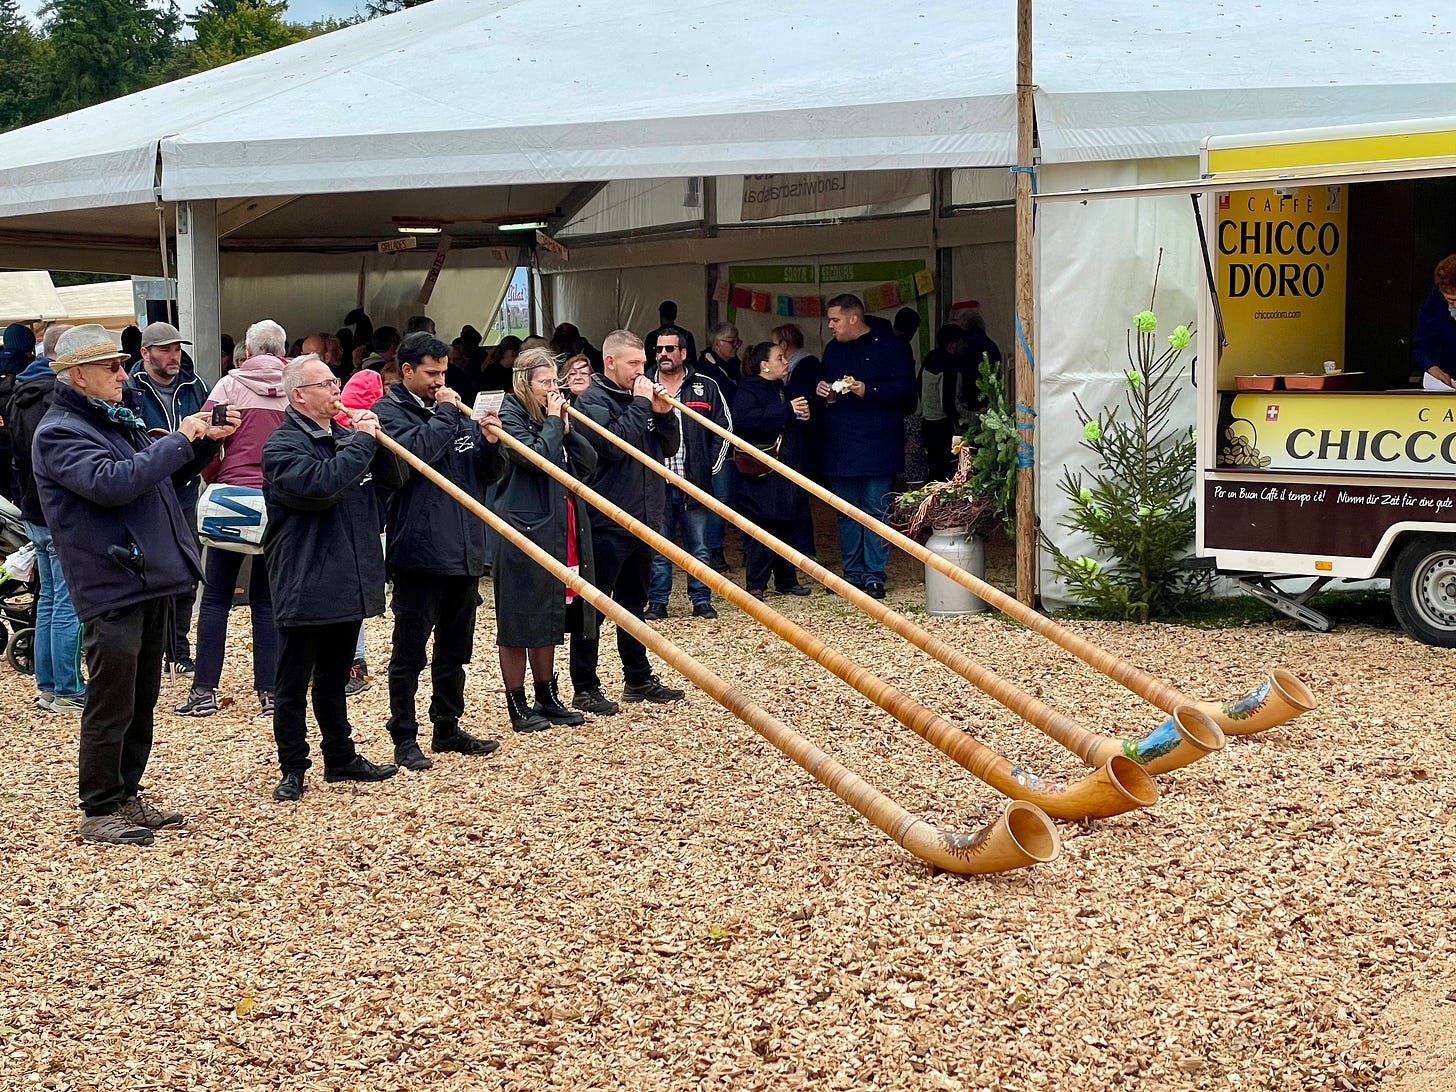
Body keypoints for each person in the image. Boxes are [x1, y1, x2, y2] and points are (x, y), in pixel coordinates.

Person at [34, 324, 237, 845]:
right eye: (113, 367)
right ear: (78, 375)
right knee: (112, 698)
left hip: (146, 576)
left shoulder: (111, 420)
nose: (124, 375)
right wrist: (180, 438)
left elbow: (157, 475)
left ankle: (125, 794)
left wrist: (200, 444)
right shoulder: (59, 431)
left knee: (142, 695)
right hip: (112, 579)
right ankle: (99, 806)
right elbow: (112, 483)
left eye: (123, 365)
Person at [261, 355, 402, 803]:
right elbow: (323, 487)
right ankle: (292, 765)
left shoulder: (347, 435)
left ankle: (340, 756)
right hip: (305, 576)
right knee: (293, 680)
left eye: (335, 381)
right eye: (325, 384)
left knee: (334, 676)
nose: (335, 390)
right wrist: (361, 443)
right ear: (299, 394)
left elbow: (391, 482)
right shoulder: (281, 446)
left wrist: (380, 441)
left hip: (347, 572)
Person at [373, 331, 504, 772]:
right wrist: (446, 414)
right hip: (419, 549)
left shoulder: (454, 409)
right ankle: (404, 735)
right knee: (410, 650)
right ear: (406, 370)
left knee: (455, 648)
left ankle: (447, 725)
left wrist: (490, 443)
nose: (440, 380)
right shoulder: (387, 412)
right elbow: (413, 460)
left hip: (464, 546)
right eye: (431, 373)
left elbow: (486, 475)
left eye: (444, 372)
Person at [174, 319, 289, 719]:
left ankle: (204, 690)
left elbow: (207, 440)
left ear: (249, 351)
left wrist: (214, 479)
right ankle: (271, 692)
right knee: (267, 601)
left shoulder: (229, 386)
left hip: (232, 500)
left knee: (217, 598)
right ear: (281, 349)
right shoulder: (295, 389)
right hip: (277, 503)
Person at [570, 329, 686, 714]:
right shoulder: (590, 401)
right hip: (607, 518)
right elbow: (615, 446)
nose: (642, 370)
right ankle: (584, 685)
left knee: (635, 602)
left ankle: (637, 677)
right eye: (634, 363)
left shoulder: (643, 398)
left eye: (643, 363)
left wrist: (665, 416)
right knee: (596, 604)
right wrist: (641, 404)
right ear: (610, 362)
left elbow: (669, 448)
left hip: (646, 514)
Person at [492, 347, 598, 731]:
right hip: (523, 527)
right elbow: (536, 458)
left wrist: (567, 428)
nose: (553, 390)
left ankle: (547, 694)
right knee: (520, 615)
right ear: (524, 383)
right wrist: (554, 422)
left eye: (556, 381)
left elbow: (588, 464)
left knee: (550, 610)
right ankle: (516, 703)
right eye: (545, 382)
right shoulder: (508, 414)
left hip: (560, 525)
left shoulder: (550, 418)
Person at [814, 294, 915, 600]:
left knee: (875, 512)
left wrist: (866, 389)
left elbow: (907, 390)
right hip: (840, 444)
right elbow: (826, 386)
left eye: (835, 320)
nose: (830, 326)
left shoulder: (889, 346)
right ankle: (852, 574)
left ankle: (874, 575)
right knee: (846, 513)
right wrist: (822, 390)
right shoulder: (832, 350)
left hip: (877, 444)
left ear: (853, 318)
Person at [125, 320, 210, 672]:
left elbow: (208, 433)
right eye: (165, 349)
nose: (174, 356)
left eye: (177, 348)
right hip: (145, 493)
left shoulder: (195, 385)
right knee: (149, 572)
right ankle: (149, 652)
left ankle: (178, 649)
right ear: (145, 353)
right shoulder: (131, 389)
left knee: (187, 573)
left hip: (186, 489)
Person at [9, 324, 85, 713]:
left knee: (49, 598)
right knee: (67, 600)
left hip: (31, 505)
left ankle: (48, 686)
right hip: (57, 509)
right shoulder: (54, 397)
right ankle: (68, 688)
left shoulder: (18, 391)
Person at [643, 325, 730, 621]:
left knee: (700, 547)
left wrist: (711, 467)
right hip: (656, 481)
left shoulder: (706, 385)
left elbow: (724, 428)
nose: (663, 354)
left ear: (683, 352)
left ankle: (701, 600)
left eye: (669, 349)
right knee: (658, 547)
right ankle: (657, 602)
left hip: (694, 481)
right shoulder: (641, 387)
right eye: (658, 349)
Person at [731, 342, 814, 599]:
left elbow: (785, 421)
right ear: (764, 365)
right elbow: (745, 420)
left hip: (784, 467)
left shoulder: (780, 388)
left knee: (787, 524)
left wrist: (801, 415)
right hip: (760, 472)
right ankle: (756, 584)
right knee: (761, 529)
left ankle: (786, 580)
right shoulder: (748, 389)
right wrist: (787, 410)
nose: (785, 361)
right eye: (779, 357)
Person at [334, 366, 386, 698]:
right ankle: (354, 663)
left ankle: (351, 663)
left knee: (345, 595)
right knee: (355, 597)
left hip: (351, 522)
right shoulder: (371, 432)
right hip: (370, 523)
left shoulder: (337, 431)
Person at [771, 321, 822, 555]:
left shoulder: (806, 364)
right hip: (794, 435)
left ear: (783, 344)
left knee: (798, 493)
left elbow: (799, 399)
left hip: (803, 435)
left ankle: (803, 548)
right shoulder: (797, 365)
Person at [698, 322, 743, 572]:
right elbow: (731, 397)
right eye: (732, 342)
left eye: (738, 342)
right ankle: (712, 550)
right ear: (717, 344)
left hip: (731, 440)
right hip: (712, 443)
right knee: (718, 498)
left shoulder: (733, 366)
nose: (736, 346)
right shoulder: (705, 371)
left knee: (727, 497)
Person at [920, 324, 970, 483]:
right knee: (947, 473)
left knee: (934, 468)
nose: (965, 347)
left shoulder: (930, 359)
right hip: (943, 427)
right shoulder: (949, 365)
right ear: (952, 345)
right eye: (962, 343)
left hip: (928, 422)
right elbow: (949, 404)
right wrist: (970, 418)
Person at [1414, 254, 1456, 390]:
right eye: (1450, 300)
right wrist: (1432, 368)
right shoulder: (1435, 302)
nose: (1454, 305)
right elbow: (1422, 344)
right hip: (1446, 382)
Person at [645, 300, 698, 367]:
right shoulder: (686, 335)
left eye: (670, 349)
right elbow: (692, 363)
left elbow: (648, 363)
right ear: (675, 315)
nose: (664, 353)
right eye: (659, 349)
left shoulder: (652, 336)